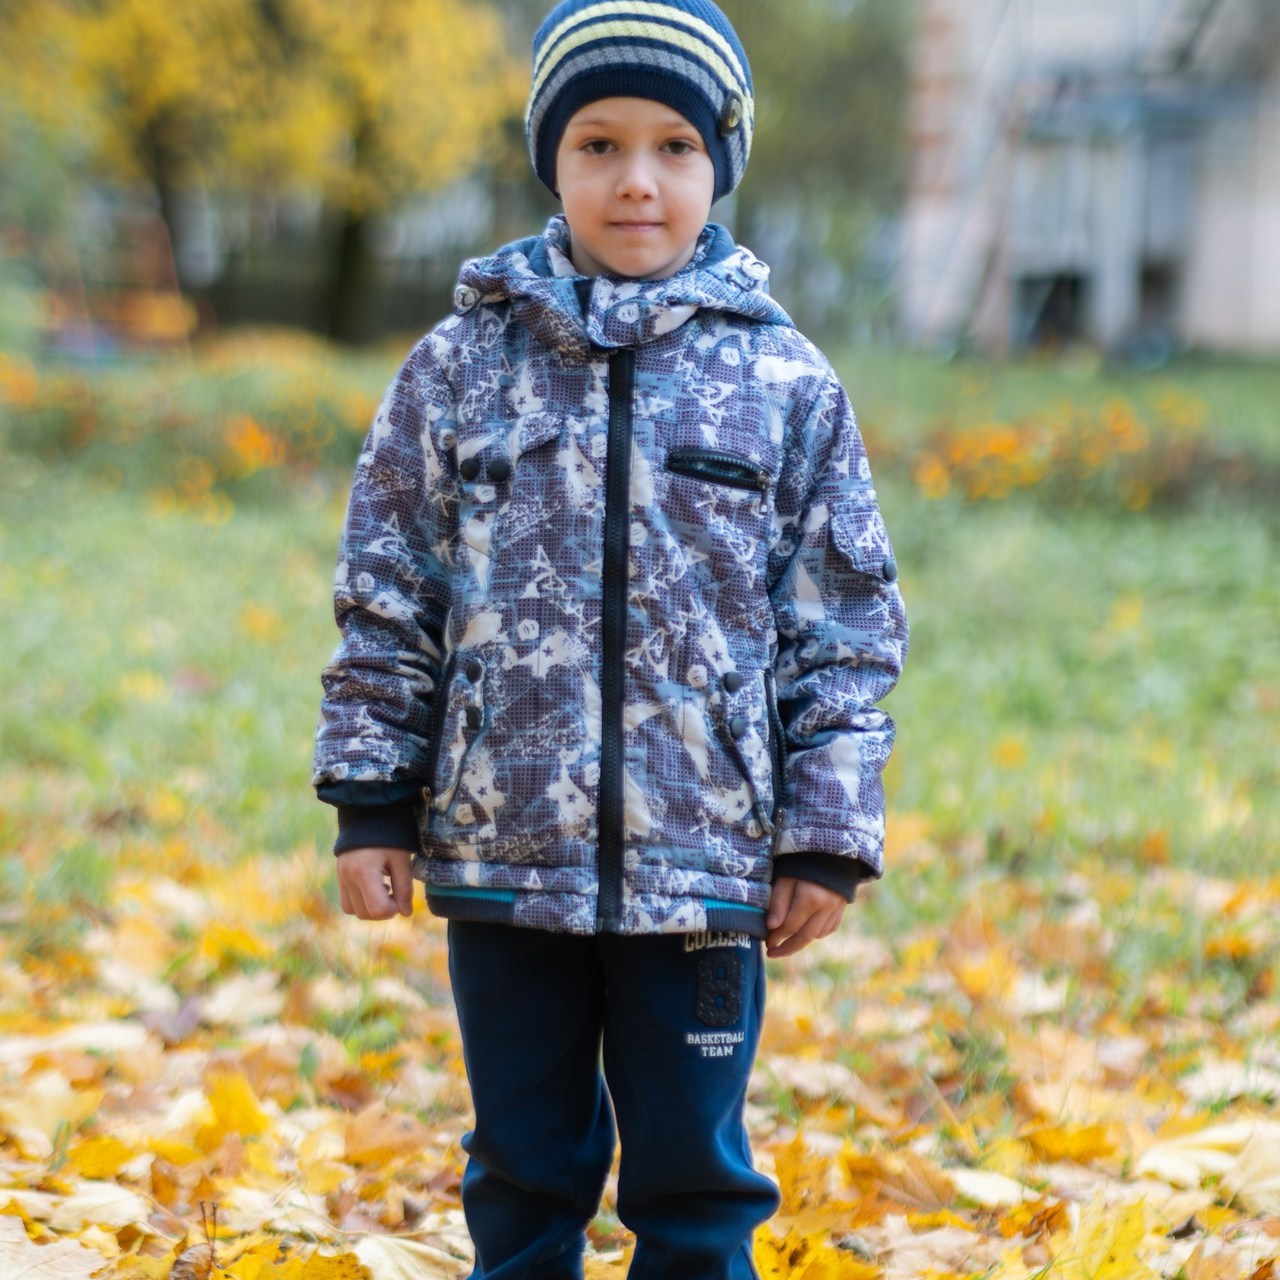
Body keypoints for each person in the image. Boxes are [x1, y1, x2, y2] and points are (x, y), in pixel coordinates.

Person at [312, 1, 908, 1274]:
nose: (635, 179)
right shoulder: (460, 367)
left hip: (703, 867)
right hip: (501, 848)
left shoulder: (784, 384)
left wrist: (825, 830)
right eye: (596, 143)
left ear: (719, 165)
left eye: (673, 148)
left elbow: (843, 625)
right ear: (551, 161)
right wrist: (372, 800)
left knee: (694, 1178)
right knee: (522, 1166)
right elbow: (388, 590)